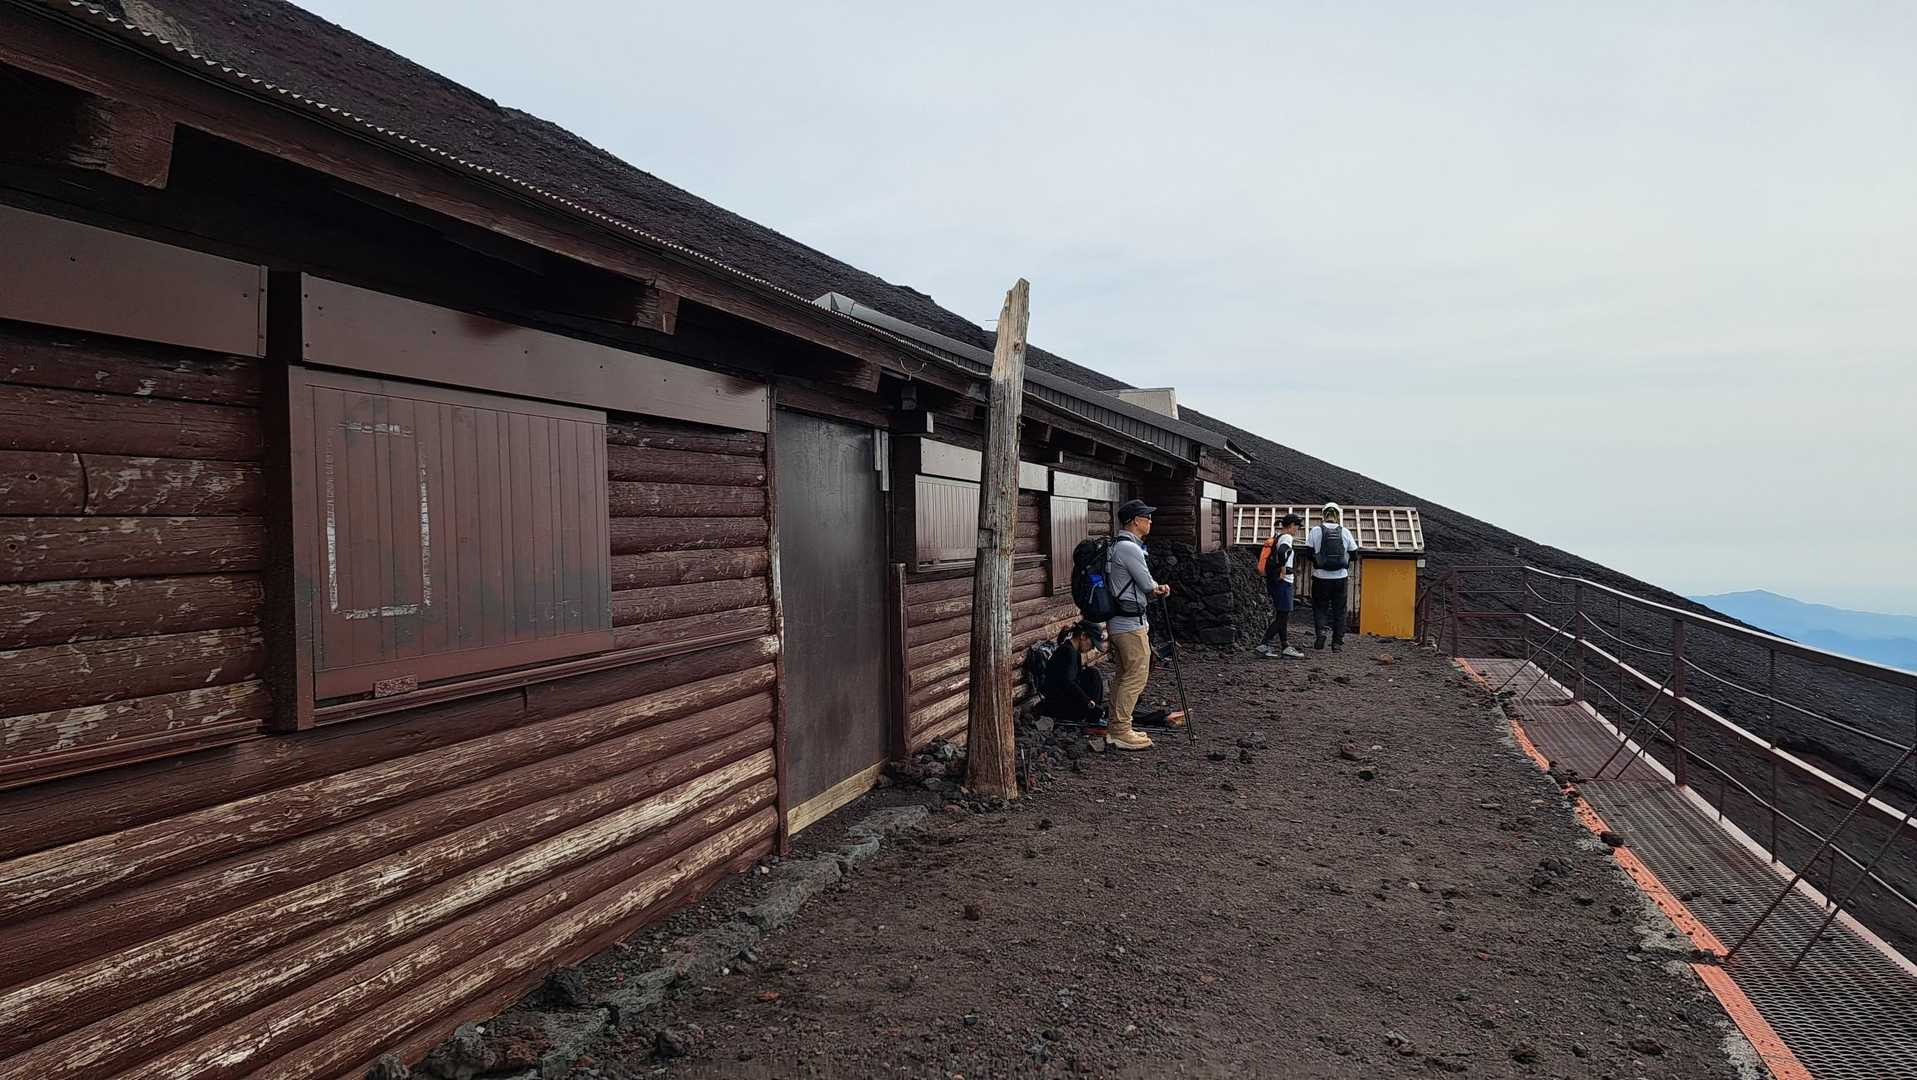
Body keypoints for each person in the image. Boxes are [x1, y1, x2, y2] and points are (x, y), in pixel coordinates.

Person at [1105, 499, 1171, 750]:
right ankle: (1121, 731)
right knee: (1136, 675)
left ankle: (1117, 727)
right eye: (1147, 517)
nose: (1151, 521)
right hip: (1129, 624)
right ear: (1135, 520)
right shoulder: (1129, 548)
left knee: (1124, 674)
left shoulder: (1116, 545)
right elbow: (1146, 584)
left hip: (1119, 621)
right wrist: (1159, 588)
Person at [1306, 502, 1360, 651]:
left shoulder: (1315, 530)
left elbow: (1309, 554)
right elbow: (1354, 554)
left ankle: (1321, 633)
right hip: (1340, 578)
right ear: (1338, 515)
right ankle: (1337, 643)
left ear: (1323, 515)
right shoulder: (1345, 532)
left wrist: (1319, 561)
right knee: (1339, 611)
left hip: (1320, 578)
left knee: (1320, 608)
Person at [1255, 513, 1306, 658]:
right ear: (1291, 525)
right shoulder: (1287, 537)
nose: (1297, 530)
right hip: (1283, 581)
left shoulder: (1278, 536)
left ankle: (1285, 646)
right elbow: (1283, 551)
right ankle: (1264, 644)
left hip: (1275, 580)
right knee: (1283, 616)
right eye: (1297, 526)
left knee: (1282, 615)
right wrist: (1283, 569)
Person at [1040, 620, 1108, 726]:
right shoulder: (1067, 652)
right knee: (1093, 675)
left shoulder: (1072, 651)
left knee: (1092, 673)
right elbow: (1068, 683)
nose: (1092, 648)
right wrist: (1089, 703)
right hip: (1058, 707)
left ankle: (1094, 715)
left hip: (1060, 703)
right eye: (1092, 643)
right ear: (1083, 636)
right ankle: (1092, 717)